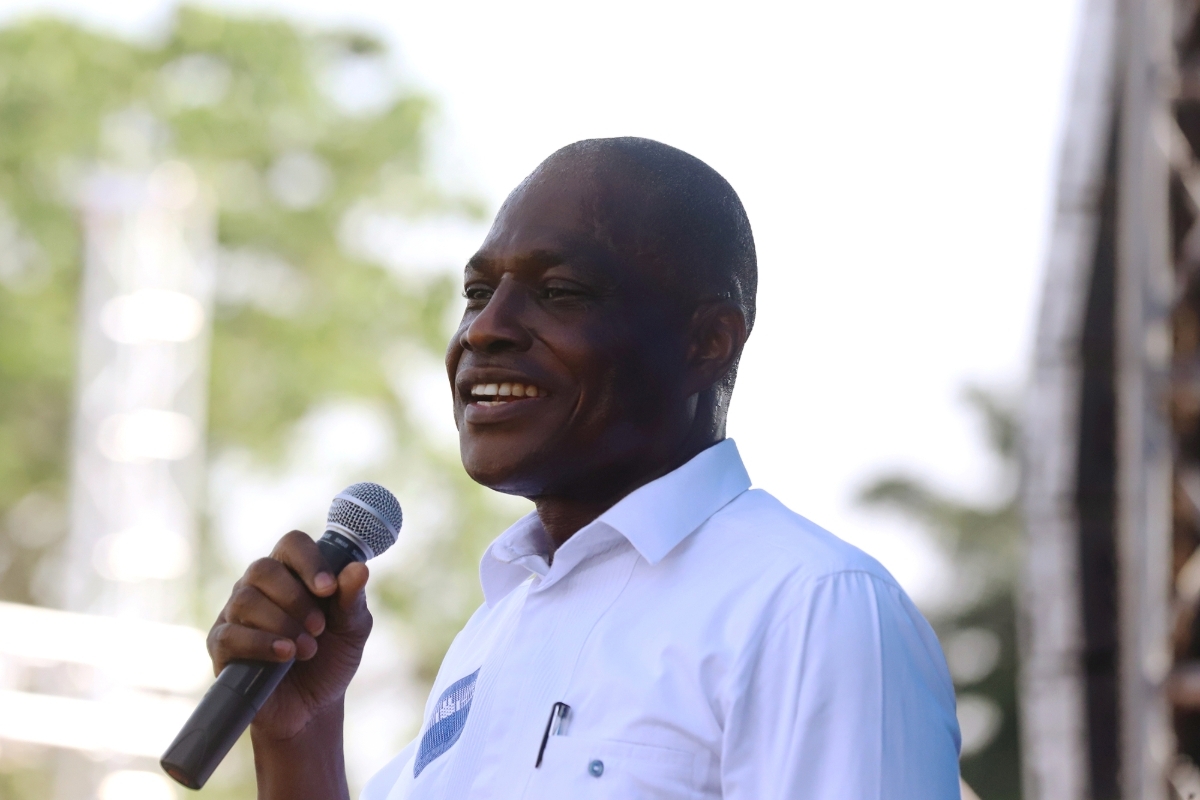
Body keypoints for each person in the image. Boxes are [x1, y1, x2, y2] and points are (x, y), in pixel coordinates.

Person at [206, 137, 962, 799]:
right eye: (476, 293)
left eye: (559, 292)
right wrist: (297, 733)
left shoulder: (809, 606)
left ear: (706, 342)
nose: (486, 329)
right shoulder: (495, 629)